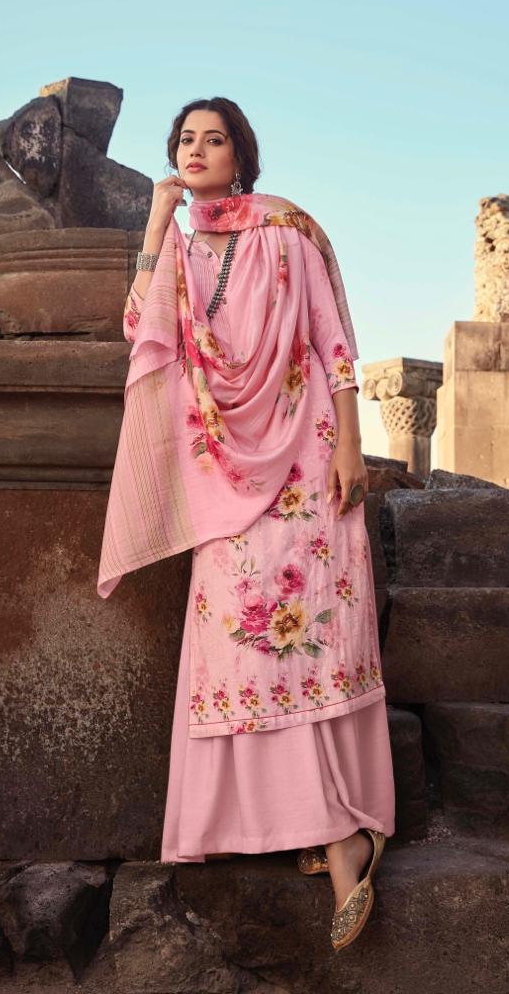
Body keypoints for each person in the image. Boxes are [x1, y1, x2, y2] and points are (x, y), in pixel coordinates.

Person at [98, 96, 395, 950]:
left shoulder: (285, 229)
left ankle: (341, 837)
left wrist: (351, 444)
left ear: (241, 155)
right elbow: (139, 328)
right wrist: (156, 218)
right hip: (220, 467)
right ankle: (297, 824)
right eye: (184, 140)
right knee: (239, 634)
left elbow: (332, 340)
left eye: (214, 139)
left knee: (311, 632)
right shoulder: (182, 244)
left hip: (305, 454)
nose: (196, 150)